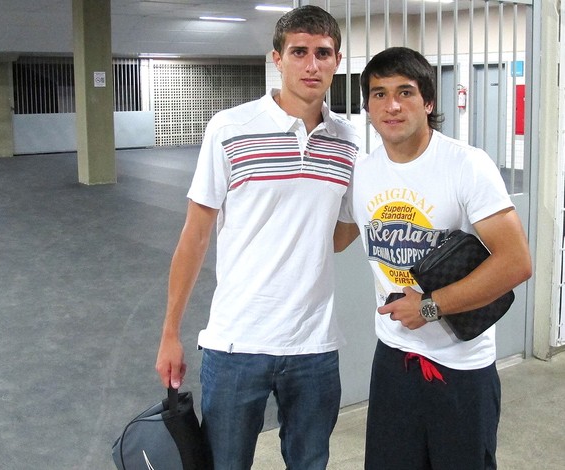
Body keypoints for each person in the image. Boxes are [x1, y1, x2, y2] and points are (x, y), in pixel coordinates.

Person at [155, 5, 361, 469]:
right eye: (300, 52)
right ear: (278, 58)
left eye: (323, 53)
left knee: (310, 462)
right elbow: (195, 235)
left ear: (337, 60)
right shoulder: (231, 128)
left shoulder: (347, 141)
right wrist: (170, 333)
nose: (312, 64)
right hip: (237, 344)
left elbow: (341, 234)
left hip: (314, 346)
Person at [335, 46, 532, 470]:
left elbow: (517, 262)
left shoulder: (466, 165)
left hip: (461, 365)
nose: (391, 105)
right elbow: (335, 239)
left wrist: (430, 306)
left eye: (405, 92)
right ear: (367, 106)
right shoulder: (364, 173)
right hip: (393, 357)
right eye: (378, 93)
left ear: (428, 101)